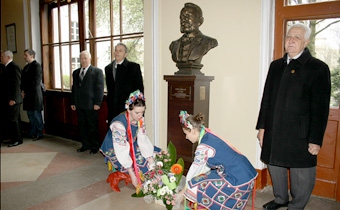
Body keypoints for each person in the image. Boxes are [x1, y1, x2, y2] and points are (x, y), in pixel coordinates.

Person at [256, 23, 331, 210]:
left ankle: (296, 206)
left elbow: (320, 108)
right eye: (289, 36)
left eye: (297, 37)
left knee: (302, 174)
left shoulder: (318, 68)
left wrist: (315, 139)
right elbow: (266, 99)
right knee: (275, 166)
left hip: (301, 132)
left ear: (306, 42)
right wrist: (262, 128)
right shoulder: (276, 66)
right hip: (274, 128)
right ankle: (281, 199)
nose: (291, 40)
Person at [177, 111, 258, 209]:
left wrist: (183, 192)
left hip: (237, 179)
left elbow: (194, 171)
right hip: (246, 173)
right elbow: (205, 168)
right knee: (202, 178)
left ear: (193, 131)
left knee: (195, 185)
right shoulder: (208, 135)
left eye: (186, 133)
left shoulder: (204, 147)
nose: (186, 137)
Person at [100, 90, 160, 191]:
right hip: (116, 148)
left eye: (142, 112)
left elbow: (143, 139)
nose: (140, 115)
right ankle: (128, 176)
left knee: (157, 155)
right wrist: (132, 174)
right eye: (137, 112)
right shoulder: (118, 124)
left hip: (131, 142)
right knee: (140, 163)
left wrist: (150, 159)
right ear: (128, 110)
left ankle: (151, 181)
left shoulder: (140, 119)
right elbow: (121, 149)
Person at [71, 50, 104, 154]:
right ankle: (85, 145)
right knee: (82, 126)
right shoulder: (76, 72)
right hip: (79, 104)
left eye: (85, 58)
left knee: (92, 126)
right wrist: (73, 102)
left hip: (91, 105)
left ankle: (95, 146)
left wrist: (97, 103)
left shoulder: (97, 71)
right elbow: (74, 88)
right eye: (81, 58)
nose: (83, 60)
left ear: (90, 59)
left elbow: (100, 88)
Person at [104, 43, 144, 124]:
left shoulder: (133, 67)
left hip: (128, 107)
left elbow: (139, 89)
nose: (117, 52)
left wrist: (136, 107)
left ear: (125, 54)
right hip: (113, 108)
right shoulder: (108, 68)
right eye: (116, 50)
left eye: (120, 51)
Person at [1, 50, 23, 147]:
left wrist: (13, 99)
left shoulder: (14, 67)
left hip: (13, 99)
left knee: (13, 120)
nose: (0, 58)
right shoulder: (6, 67)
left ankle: (17, 139)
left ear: (8, 57)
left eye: (2, 57)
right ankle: (13, 138)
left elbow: (16, 84)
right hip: (8, 98)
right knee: (11, 119)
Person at [21, 49, 44, 140]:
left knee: (36, 114)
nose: (24, 57)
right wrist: (22, 91)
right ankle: (32, 131)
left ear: (32, 56)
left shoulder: (37, 66)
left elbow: (35, 82)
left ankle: (39, 132)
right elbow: (22, 81)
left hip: (35, 95)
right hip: (27, 94)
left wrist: (25, 88)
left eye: (26, 55)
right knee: (30, 114)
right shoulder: (26, 67)